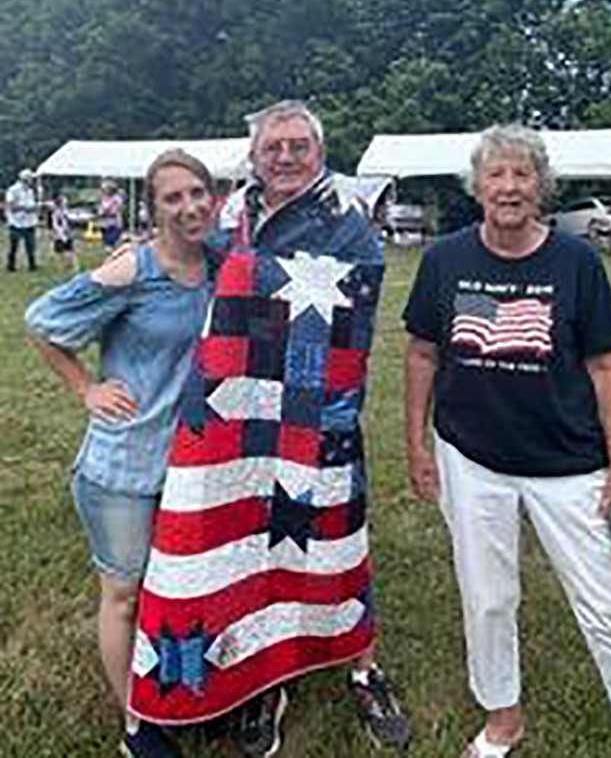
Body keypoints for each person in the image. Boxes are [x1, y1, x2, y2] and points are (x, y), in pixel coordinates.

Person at [128, 101, 410, 756]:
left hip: (314, 412)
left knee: (335, 536)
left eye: (297, 146)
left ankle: (363, 668)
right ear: (254, 156)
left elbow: (352, 301)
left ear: (318, 150)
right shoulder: (235, 210)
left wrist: (250, 276)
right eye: (272, 147)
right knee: (253, 540)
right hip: (242, 410)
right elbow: (204, 263)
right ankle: (266, 678)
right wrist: (153, 250)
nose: (284, 157)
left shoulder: (345, 214)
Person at [403, 123, 611, 758]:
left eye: (521, 175)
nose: (507, 187)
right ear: (477, 187)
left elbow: (608, 366)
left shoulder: (576, 261)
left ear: (541, 186)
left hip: (569, 462)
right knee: (488, 597)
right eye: (495, 175)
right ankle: (504, 719)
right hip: (470, 457)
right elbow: (421, 354)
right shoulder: (444, 258)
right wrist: (417, 448)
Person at [26, 150, 216, 758]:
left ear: (212, 197)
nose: (188, 206)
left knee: (180, 590)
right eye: (172, 197)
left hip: (191, 467)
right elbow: (43, 320)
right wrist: (87, 388)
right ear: (152, 206)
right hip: (124, 468)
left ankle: (181, 692)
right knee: (124, 595)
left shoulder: (219, 265)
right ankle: (137, 725)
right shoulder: (132, 268)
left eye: (196, 193)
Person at [5, 168, 39, 271]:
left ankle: (32, 265)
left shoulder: (30, 191)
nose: (32, 181)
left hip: (29, 222)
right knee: (14, 247)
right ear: (24, 179)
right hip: (16, 223)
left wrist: (35, 208)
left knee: (31, 246)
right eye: (30, 179)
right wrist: (26, 208)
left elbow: (32, 204)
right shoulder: (13, 190)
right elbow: (11, 206)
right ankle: (11, 266)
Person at [49, 194, 78, 272]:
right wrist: (61, 234)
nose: (66, 204)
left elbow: (70, 221)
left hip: (67, 233)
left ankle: (74, 266)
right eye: (64, 202)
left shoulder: (66, 211)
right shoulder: (55, 213)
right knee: (60, 252)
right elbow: (55, 225)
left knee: (71, 250)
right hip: (59, 234)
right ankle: (61, 267)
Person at [98, 178, 125, 249]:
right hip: (104, 223)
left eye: (107, 189)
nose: (105, 191)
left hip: (114, 223)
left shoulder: (117, 199)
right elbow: (101, 210)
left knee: (112, 242)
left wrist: (108, 209)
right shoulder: (103, 199)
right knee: (106, 242)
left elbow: (117, 209)